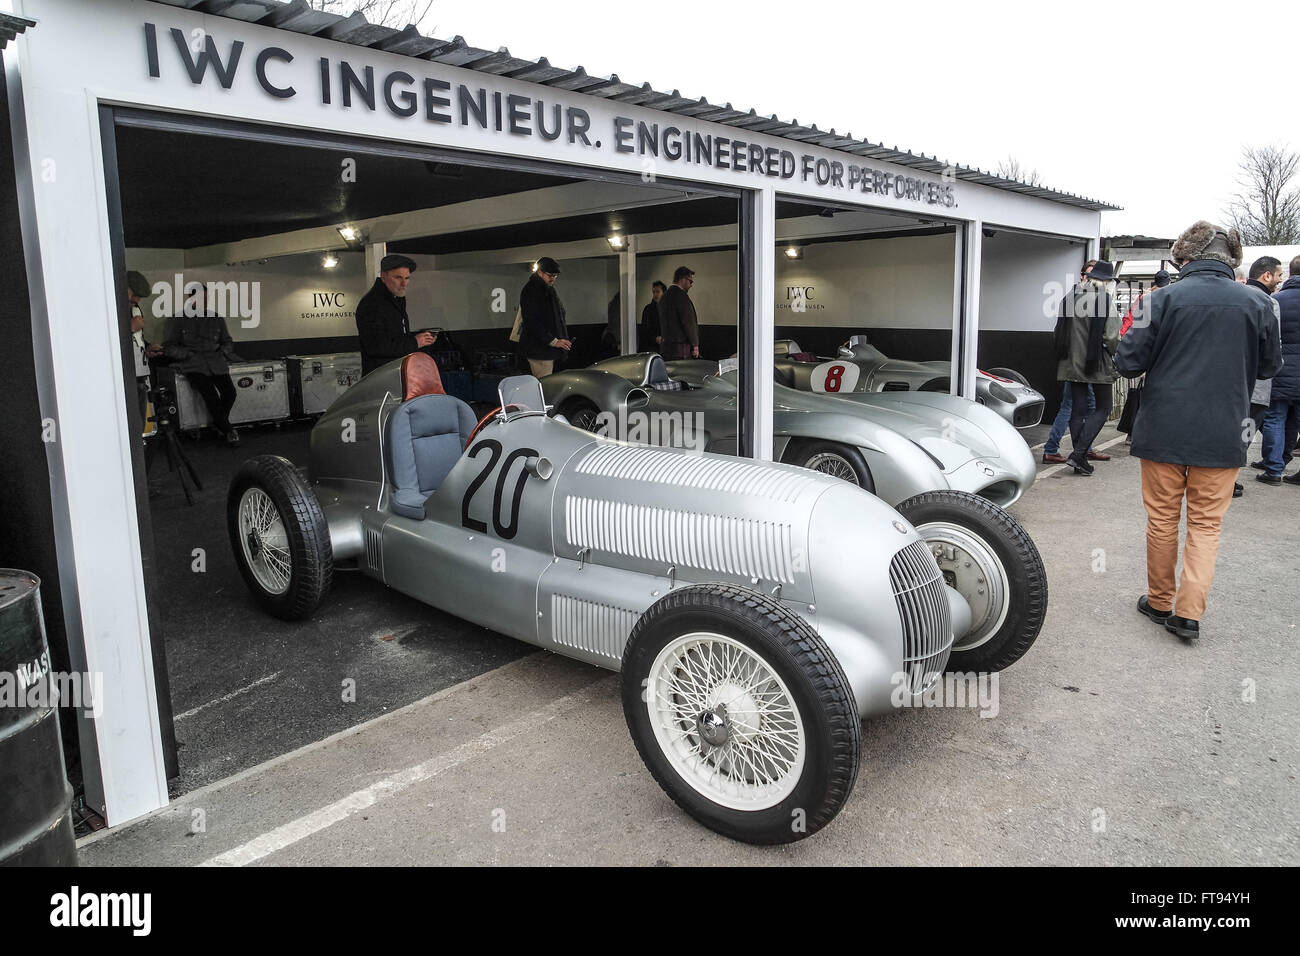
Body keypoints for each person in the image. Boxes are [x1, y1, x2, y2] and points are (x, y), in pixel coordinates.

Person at [1115, 220, 1281, 641]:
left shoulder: (1161, 299)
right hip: (1226, 429)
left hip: (1164, 430)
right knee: (1206, 525)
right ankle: (1188, 614)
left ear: (1184, 259)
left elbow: (1128, 363)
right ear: (1233, 260)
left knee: (1163, 519)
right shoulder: (1259, 303)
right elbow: (1268, 367)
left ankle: (1158, 601)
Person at [1054, 259, 1121, 474]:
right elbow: (1111, 336)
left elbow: (1058, 331)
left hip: (1070, 361)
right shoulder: (1103, 299)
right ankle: (1078, 454)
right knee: (1103, 407)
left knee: (1078, 409)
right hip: (1096, 362)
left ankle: (1079, 459)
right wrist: (1114, 353)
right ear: (1106, 280)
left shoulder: (1069, 297)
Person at [163, 287, 244, 445]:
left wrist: (223, 351)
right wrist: (187, 354)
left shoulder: (216, 318)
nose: (205, 302)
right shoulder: (178, 319)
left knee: (230, 393)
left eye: (207, 299)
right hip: (193, 365)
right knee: (211, 396)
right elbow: (169, 347)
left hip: (216, 363)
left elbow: (227, 341)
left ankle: (220, 424)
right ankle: (229, 431)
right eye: (201, 298)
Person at [1042, 260, 1100, 464]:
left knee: (1081, 405)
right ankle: (1057, 448)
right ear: (1084, 276)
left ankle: (1083, 447)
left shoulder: (1071, 298)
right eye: (1092, 275)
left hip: (1073, 362)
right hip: (1080, 363)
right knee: (1076, 406)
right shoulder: (1083, 299)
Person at [355, 254, 436, 377]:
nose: (404, 283)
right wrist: (415, 342)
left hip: (392, 375)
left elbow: (393, 337)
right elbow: (376, 347)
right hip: (382, 378)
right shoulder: (372, 304)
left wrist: (420, 339)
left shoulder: (394, 300)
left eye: (407, 278)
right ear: (383, 276)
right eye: (398, 278)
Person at [1258, 255, 1300, 486]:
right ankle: (1288, 461)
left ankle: (1273, 469)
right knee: (1294, 422)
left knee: (1275, 417)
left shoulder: (1277, 301)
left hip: (1282, 371)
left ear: (1291, 273)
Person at [518, 256, 571, 378]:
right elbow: (532, 321)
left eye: (555, 276)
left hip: (544, 348)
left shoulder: (545, 289)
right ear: (539, 272)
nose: (553, 278)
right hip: (540, 350)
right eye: (550, 275)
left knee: (546, 385)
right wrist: (553, 341)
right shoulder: (533, 290)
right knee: (544, 386)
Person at [126, 270, 162, 429]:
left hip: (139, 373)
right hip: (124, 376)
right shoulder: (110, 308)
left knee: (138, 425)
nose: (137, 299)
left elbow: (136, 341)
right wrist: (129, 328)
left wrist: (147, 348)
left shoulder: (135, 309)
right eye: (134, 294)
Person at [660, 266, 700, 359]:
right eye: (690, 281)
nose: (691, 285)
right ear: (683, 279)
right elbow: (688, 321)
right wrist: (695, 344)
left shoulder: (664, 296)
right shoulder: (682, 296)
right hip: (681, 347)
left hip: (666, 345)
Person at [640, 280, 667, 353]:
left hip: (666, 346)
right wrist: (655, 338)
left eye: (658, 292)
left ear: (664, 293)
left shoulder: (668, 308)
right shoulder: (648, 309)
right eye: (654, 292)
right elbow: (645, 328)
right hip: (651, 347)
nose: (655, 294)